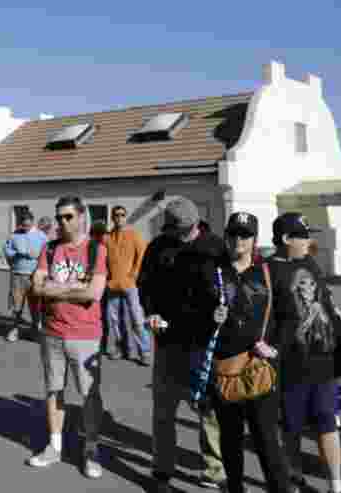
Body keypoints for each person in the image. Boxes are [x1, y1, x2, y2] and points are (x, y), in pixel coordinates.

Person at [141, 199, 227, 492]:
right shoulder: (158, 247)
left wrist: (224, 311)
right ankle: (162, 467)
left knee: (208, 411)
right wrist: (150, 311)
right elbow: (145, 285)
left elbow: (230, 288)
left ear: (194, 226)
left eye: (181, 231)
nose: (176, 235)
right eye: (172, 230)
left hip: (203, 344)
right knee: (163, 411)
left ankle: (214, 469)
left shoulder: (216, 248)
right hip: (167, 342)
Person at [208, 212, 296, 493]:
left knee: (266, 439)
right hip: (225, 367)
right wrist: (210, 316)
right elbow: (192, 313)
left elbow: (290, 317)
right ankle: (235, 489)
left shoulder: (269, 272)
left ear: (254, 240)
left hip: (261, 369)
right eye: (233, 234)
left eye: (244, 235)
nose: (238, 240)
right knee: (230, 440)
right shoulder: (213, 273)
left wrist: (276, 348)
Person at [268, 213, 341, 493]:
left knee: (328, 423)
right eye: (303, 236)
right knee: (291, 426)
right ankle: (294, 473)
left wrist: (335, 312)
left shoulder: (310, 263)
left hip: (323, 360)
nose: (308, 241)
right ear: (285, 239)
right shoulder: (268, 270)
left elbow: (324, 298)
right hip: (290, 364)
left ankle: (335, 486)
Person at [27, 195, 108, 479]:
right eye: (59, 217)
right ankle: (54, 446)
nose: (63, 222)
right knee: (53, 391)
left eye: (68, 217)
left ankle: (91, 451)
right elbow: (37, 288)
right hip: (52, 332)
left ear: (82, 216)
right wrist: (74, 287)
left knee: (88, 395)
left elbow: (93, 293)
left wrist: (56, 287)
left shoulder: (97, 249)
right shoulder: (49, 249)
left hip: (85, 335)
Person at [103, 204, 149, 364]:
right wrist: (106, 278)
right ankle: (120, 349)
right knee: (113, 320)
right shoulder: (107, 238)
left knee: (136, 318)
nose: (119, 217)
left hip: (130, 285)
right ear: (112, 218)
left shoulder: (133, 235)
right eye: (116, 215)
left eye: (122, 215)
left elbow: (142, 255)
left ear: (126, 217)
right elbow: (102, 259)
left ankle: (144, 352)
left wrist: (135, 273)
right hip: (112, 285)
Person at [3, 210, 48, 343]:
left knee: (36, 305)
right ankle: (15, 329)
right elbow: (7, 250)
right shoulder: (14, 236)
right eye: (23, 225)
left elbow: (47, 253)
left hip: (35, 275)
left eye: (28, 225)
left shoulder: (41, 236)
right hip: (18, 274)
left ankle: (35, 330)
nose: (25, 227)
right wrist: (16, 253)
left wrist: (40, 259)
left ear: (32, 222)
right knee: (16, 305)